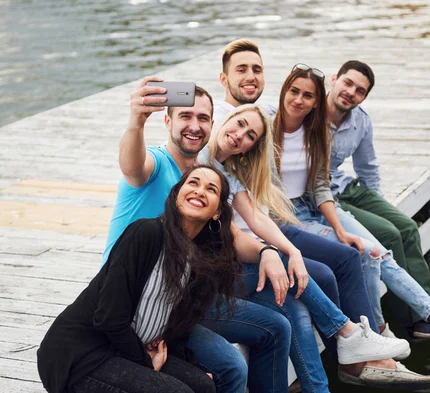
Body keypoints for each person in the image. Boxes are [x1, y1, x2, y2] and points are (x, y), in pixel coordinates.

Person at [201, 103, 430, 391]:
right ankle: (347, 333)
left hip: (229, 265)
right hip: (211, 276)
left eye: (250, 135)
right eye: (239, 124)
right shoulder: (200, 159)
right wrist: (275, 253)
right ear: (226, 118)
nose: (240, 135)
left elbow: (257, 217)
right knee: (294, 280)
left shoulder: (228, 174)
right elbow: (232, 230)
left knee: (295, 307)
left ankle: (322, 384)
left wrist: (292, 251)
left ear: (251, 148)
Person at [271, 63, 430, 357]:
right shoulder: (267, 125)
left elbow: (322, 186)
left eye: (307, 96)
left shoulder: (316, 133)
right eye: (294, 92)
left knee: (379, 252)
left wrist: (341, 229)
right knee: (365, 254)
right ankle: (380, 330)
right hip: (286, 215)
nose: (299, 100)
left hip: (318, 204)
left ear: (316, 101)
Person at [102, 80, 292, 393]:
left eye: (203, 119)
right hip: (135, 301)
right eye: (185, 117)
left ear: (212, 125)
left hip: (180, 295)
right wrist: (136, 121)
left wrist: (267, 251)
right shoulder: (156, 164)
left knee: (277, 326)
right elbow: (132, 167)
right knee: (231, 366)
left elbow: (231, 235)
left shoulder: (199, 179)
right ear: (167, 121)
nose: (194, 125)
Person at [38, 165, 239, 393]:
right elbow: (109, 317)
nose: (200, 191)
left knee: (203, 385)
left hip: (128, 349)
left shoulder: (201, 262)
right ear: (176, 195)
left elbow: (178, 330)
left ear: (217, 213)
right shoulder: (146, 233)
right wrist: (144, 363)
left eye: (211, 189)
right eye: (193, 183)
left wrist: (190, 369)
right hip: (81, 353)